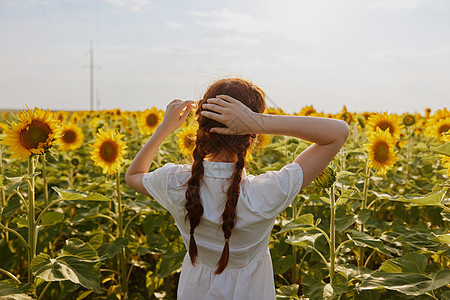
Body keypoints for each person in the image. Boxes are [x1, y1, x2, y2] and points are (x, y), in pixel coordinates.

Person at [125, 78, 349, 299]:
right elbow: (338, 132)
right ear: (251, 137)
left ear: (202, 127)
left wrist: (164, 128)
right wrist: (258, 122)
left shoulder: (175, 182)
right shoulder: (265, 194)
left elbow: (133, 175)